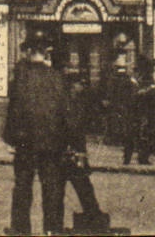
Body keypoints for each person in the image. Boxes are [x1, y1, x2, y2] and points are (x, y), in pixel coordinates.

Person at [3, 36, 70, 236]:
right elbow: (66, 112)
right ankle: (52, 229)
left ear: (30, 52)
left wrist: (10, 139)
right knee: (52, 187)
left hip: (26, 142)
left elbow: (14, 111)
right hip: (53, 143)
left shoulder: (21, 79)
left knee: (23, 186)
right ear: (45, 53)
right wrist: (68, 141)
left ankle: (21, 229)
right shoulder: (57, 77)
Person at [63, 73, 113, 233]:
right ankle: (94, 217)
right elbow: (74, 127)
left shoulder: (76, 101)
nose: (82, 87)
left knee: (82, 186)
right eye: (80, 84)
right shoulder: (69, 103)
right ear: (73, 86)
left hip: (74, 151)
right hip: (71, 152)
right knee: (82, 185)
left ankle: (93, 215)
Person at [127, 61, 155, 165]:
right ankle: (141, 158)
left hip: (142, 113)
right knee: (143, 136)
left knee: (138, 136)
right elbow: (143, 96)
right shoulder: (147, 81)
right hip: (143, 113)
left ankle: (131, 157)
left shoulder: (144, 80)